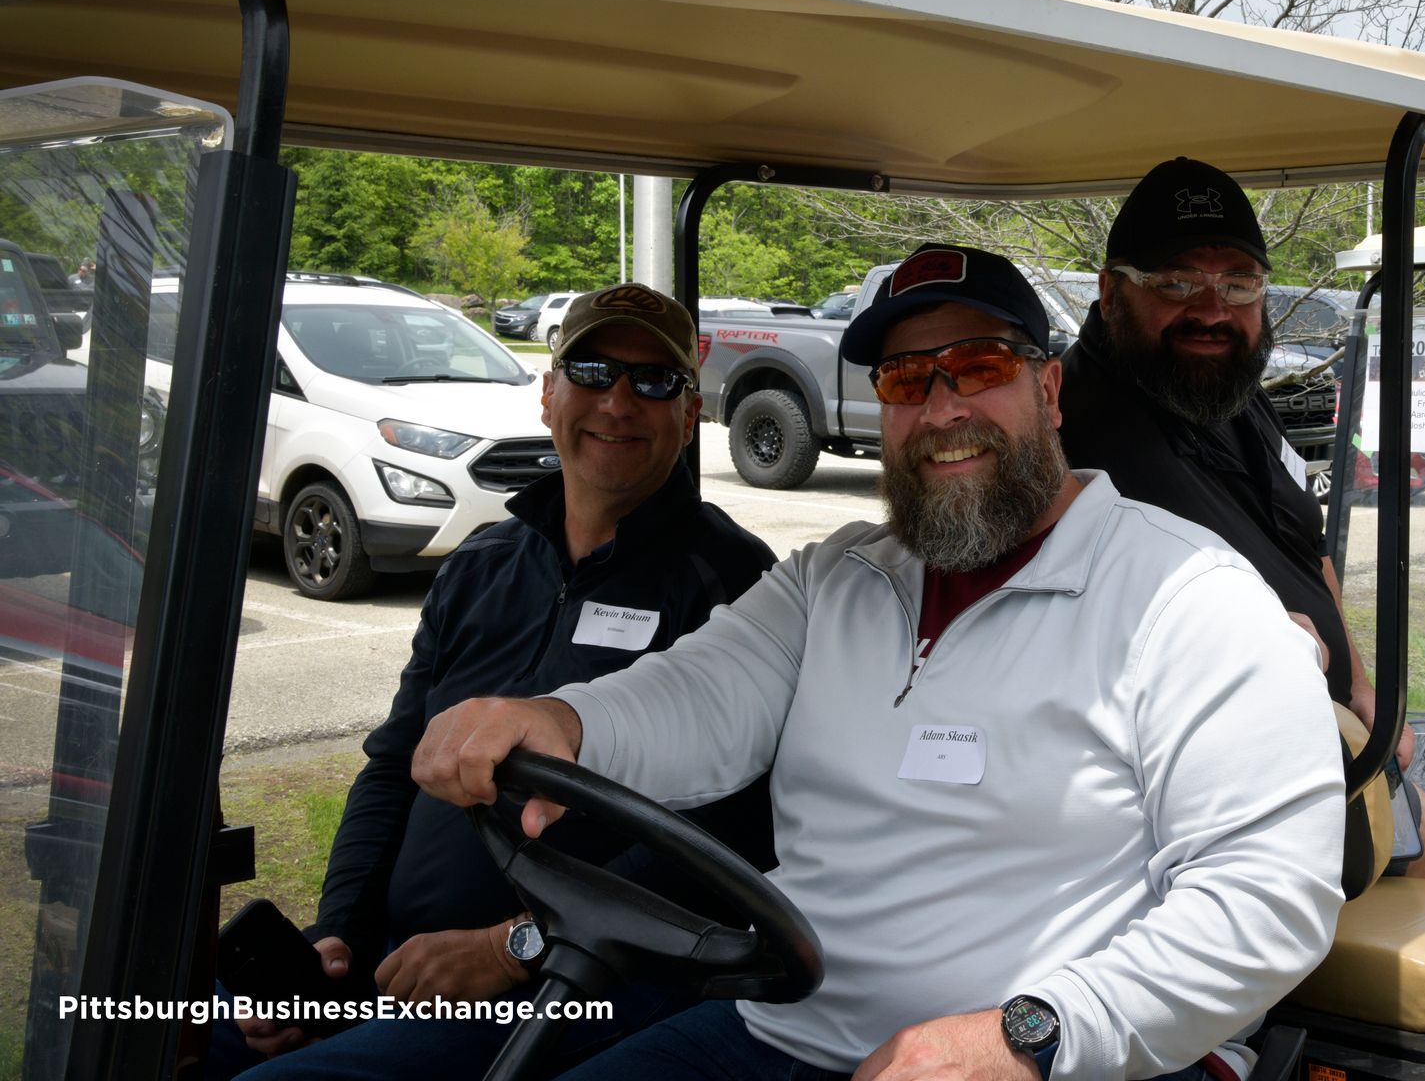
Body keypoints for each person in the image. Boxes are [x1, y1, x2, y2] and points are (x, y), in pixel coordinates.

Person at [412, 244, 1347, 1081]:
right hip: (780, 1028)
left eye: (980, 367)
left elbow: (1268, 897)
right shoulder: (834, 579)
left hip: (1065, 1056)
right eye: (906, 380)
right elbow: (696, 696)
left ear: (1049, 390)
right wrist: (566, 722)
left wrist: (1028, 1035)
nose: (943, 408)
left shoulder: (1186, 596)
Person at [229, 283, 777, 1079]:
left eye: (655, 381)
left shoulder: (735, 585)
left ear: (689, 414)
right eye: (592, 371)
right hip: (398, 961)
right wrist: (336, 937)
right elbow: (393, 764)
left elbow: (724, 840)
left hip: (571, 980)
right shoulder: (482, 564)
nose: (618, 401)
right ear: (549, 393)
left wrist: (511, 948)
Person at [1057, 155, 1425, 879]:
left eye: (1239, 284)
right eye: (1176, 283)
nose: (1212, 311)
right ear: (1110, 293)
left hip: (1321, 722)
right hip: (1206, 763)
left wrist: (1362, 686)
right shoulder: (1064, 423)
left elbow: (1307, 550)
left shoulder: (1227, 390)